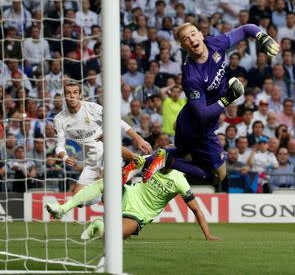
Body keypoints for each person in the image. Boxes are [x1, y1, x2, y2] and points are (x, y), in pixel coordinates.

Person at [132, 22, 279, 185]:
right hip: (197, 126)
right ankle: (165, 159)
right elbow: (202, 115)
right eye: (186, 38)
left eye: (193, 34)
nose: (192, 39)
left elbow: (246, 29)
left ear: (201, 35)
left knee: (184, 156)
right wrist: (227, 99)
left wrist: (263, 37)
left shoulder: (215, 43)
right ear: (183, 46)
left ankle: (142, 163)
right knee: (218, 176)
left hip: (192, 121)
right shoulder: (191, 76)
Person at [46, 166, 220, 242]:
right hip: (127, 195)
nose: (161, 161)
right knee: (107, 181)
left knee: (112, 238)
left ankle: (99, 225)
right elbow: (131, 159)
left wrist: (208, 235)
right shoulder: (152, 162)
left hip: (138, 214)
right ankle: (62, 209)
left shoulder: (179, 181)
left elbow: (196, 209)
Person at [54, 81, 152, 194]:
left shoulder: (92, 108)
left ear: (80, 95)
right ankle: (103, 194)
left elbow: (118, 122)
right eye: (68, 93)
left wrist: (139, 139)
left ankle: (150, 164)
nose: (72, 96)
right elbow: (59, 147)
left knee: (125, 156)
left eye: (75, 92)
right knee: (78, 196)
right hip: (92, 158)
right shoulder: (59, 119)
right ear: (64, 95)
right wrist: (65, 157)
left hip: (107, 146)